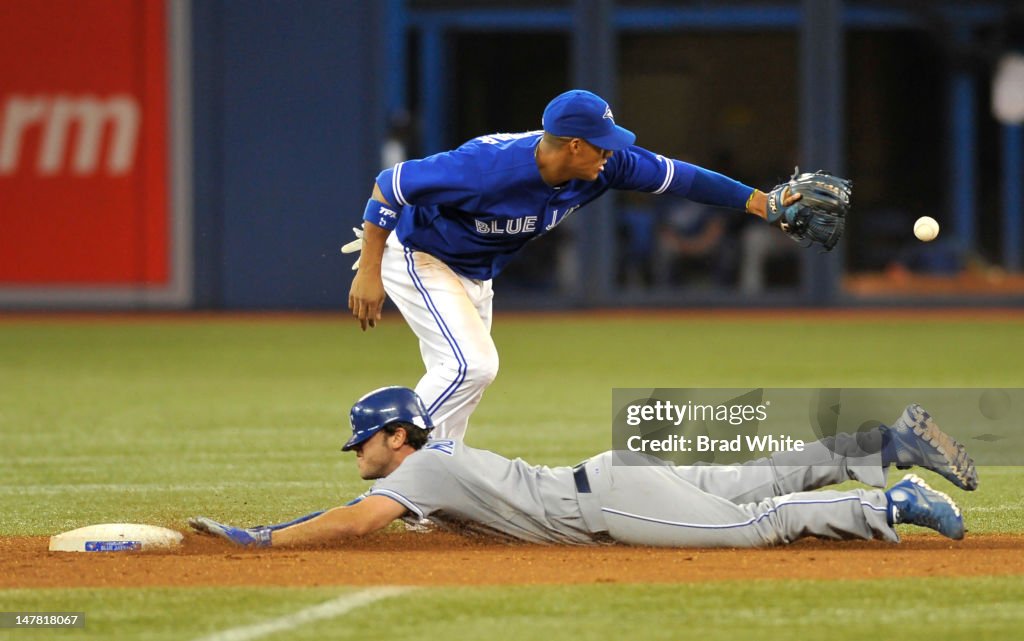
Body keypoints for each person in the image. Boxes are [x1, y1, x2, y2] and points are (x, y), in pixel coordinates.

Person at [345, 89, 807, 440]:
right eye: (600, 144)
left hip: (474, 270)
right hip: (419, 255)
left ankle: (425, 495)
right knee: (472, 367)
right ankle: (392, 454)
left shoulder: (605, 166)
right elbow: (391, 184)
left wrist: (760, 203)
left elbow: (682, 178)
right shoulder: (486, 169)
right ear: (570, 145)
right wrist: (370, 270)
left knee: (461, 383)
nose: (610, 153)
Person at [190, 386, 978, 549]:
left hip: (608, 498)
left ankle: (888, 500)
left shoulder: (420, 470)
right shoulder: (436, 462)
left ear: (397, 436)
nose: (358, 453)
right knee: (759, 477)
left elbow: (357, 520)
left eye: (363, 439)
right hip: (608, 475)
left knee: (751, 526)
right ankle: (882, 443)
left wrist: (266, 538)